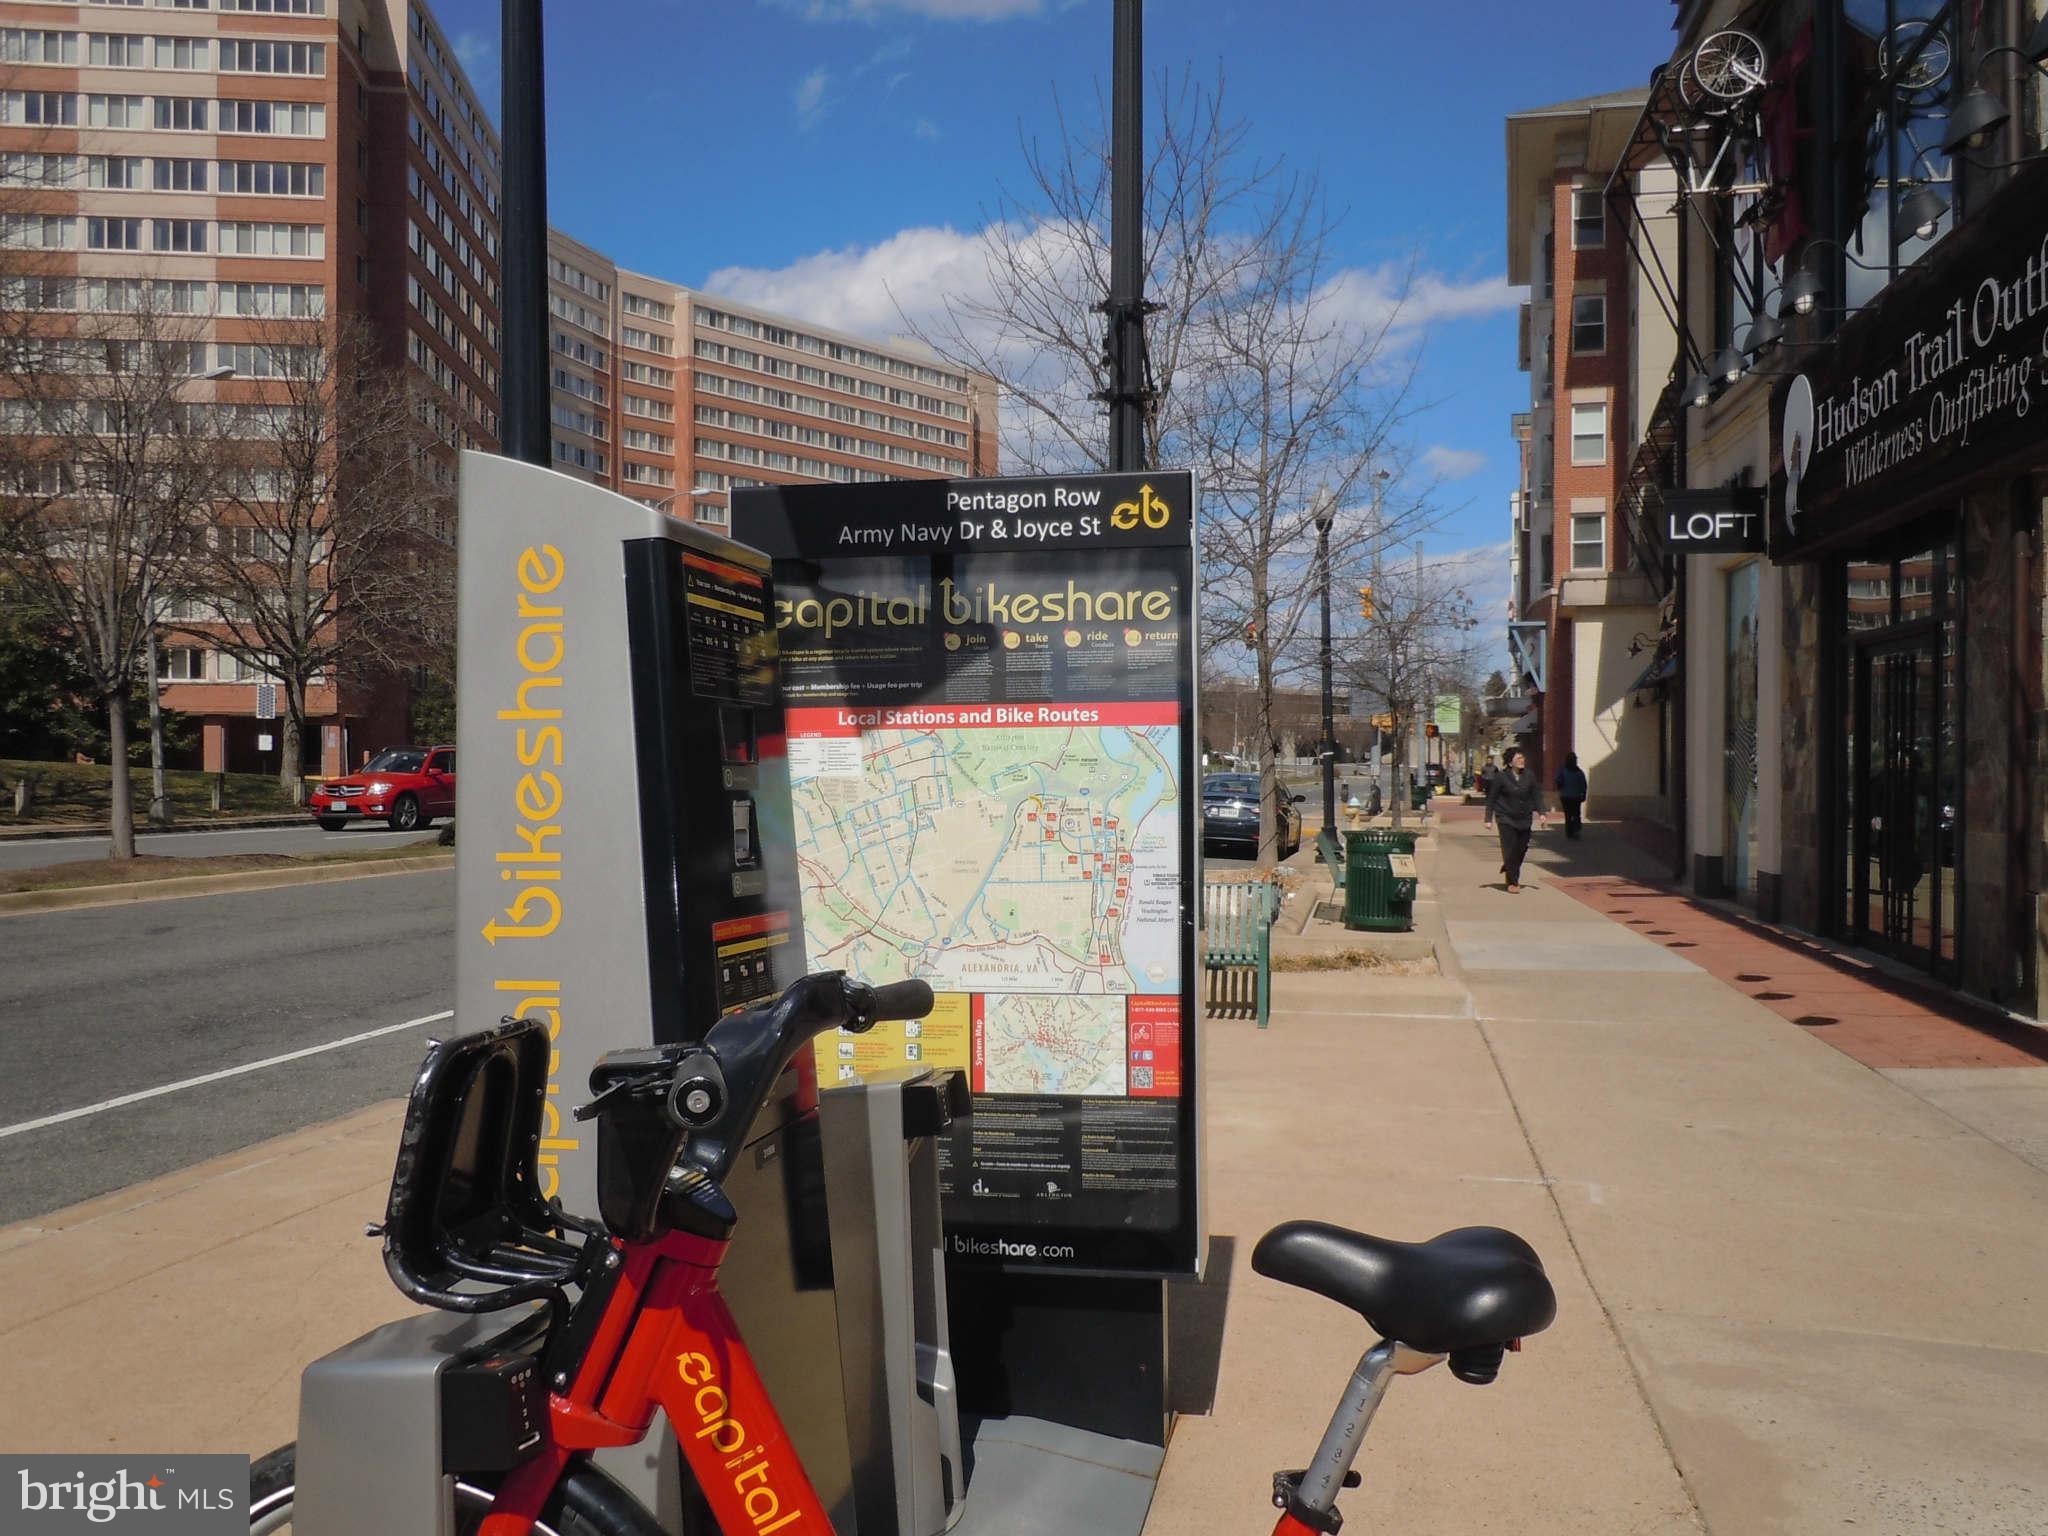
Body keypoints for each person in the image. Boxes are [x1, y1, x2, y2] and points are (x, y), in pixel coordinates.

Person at [1484, 745, 1545, 893]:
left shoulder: (1529, 775)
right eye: (1518, 758)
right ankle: (1513, 881)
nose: (1522, 760)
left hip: (1524, 817)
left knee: (1521, 848)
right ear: (1510, 762)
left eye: (1523, 758)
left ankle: (1509, 865)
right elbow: (1491, 798)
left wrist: (1542, 812)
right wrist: (1488, 818)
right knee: (1509, 848)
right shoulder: (1501, 777)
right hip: (1506, 817)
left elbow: (1536, 794)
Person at [1554, 752, 1588, 840]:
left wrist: (1560, 787)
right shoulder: (1578, 772)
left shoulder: (1563, 770)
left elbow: (1558, 781)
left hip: (1566, 796)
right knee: (1576, 814)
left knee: (1568, 815)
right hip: (1575, 797)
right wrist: (1583, 794)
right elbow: (1583, 784)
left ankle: (1569, 832)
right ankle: (1575, 831)